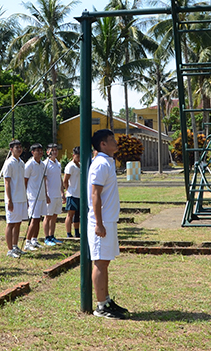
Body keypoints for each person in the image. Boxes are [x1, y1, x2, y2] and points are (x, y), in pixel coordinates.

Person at [88, 129, 129, 319]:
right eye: (112, 139)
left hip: (109, 220)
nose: (116, 142)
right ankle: (100, 306)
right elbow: (95, 195)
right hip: (101, 222)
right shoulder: (100, 164)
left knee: (105, 262)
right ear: (103, 144)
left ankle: (106, 299)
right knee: (100, 262)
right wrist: (99, 223)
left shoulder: (107, 162)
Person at [2, 140, 27, 257]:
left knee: (18, 223)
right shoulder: (9, 163)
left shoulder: (22, 163)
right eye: (17, 147)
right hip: (13, 198)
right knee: (11, 223)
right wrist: (9, 200)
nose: (19, 149)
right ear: (11, 150)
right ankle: (9, 249)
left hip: (21, 198)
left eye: (20, 147)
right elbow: (7, 182)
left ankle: (15, 246)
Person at [24, 143, 49, 250]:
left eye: (40, 150)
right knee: (34, 219)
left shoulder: (43, 164)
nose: (39, 152)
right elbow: (25, 181)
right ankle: (27, 241)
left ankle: (34, 239)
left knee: (38, 218)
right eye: (37, 150)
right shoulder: (29, 164)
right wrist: (25, 196)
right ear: (32, 152)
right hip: (33, 196)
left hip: (42, 196)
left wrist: (46, 194)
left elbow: (44, 180)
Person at [42, 144, 64, 246]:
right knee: (48, 216)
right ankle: (46, 237)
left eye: (56, 150)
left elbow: (59, 178)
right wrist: (46, 194)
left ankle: (52, 235)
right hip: (50, 194)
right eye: (52, 150)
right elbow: (44, 180)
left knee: (54, 216)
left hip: (57, 195)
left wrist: (62, 192)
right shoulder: (45, 164)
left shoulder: (58, 164)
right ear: (47, 152)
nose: (54, 152)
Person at [63, 147, 81, 238]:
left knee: (77, 214)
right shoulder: (70, 166)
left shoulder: (80, 165)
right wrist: (68, 190)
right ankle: (68, 233)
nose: (79, 158)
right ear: (73, 155)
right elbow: (65, 180)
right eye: (77, 156)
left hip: (79, 194)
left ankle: (77, 232)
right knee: (70, 214)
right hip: (72, 193)